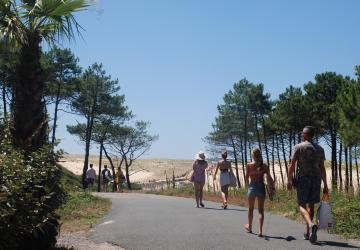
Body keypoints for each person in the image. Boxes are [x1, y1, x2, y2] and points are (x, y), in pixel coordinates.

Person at [288, 126, 328, 244]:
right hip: (316, 179)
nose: (301, 135)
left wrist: (289, 180)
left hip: (303, 179)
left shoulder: (298, 147)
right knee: (311, 205)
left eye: (302, 133)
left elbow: (292, 165)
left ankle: (311, 225)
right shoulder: (320, 149)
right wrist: (325, 184)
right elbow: (322, 167)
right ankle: (308, 233)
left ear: (305, 135)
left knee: (301, 204)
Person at [244, 148, 274, 237]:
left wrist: (247, 186)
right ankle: (260, 231)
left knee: (250, 209)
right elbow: (269, 178)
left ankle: (250, 226)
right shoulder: (264, 165)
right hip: (261, 187)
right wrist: (272, 187)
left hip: (252, 188)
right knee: (261, 210)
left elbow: (246, 178)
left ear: (253, 155)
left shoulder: (249, 165)